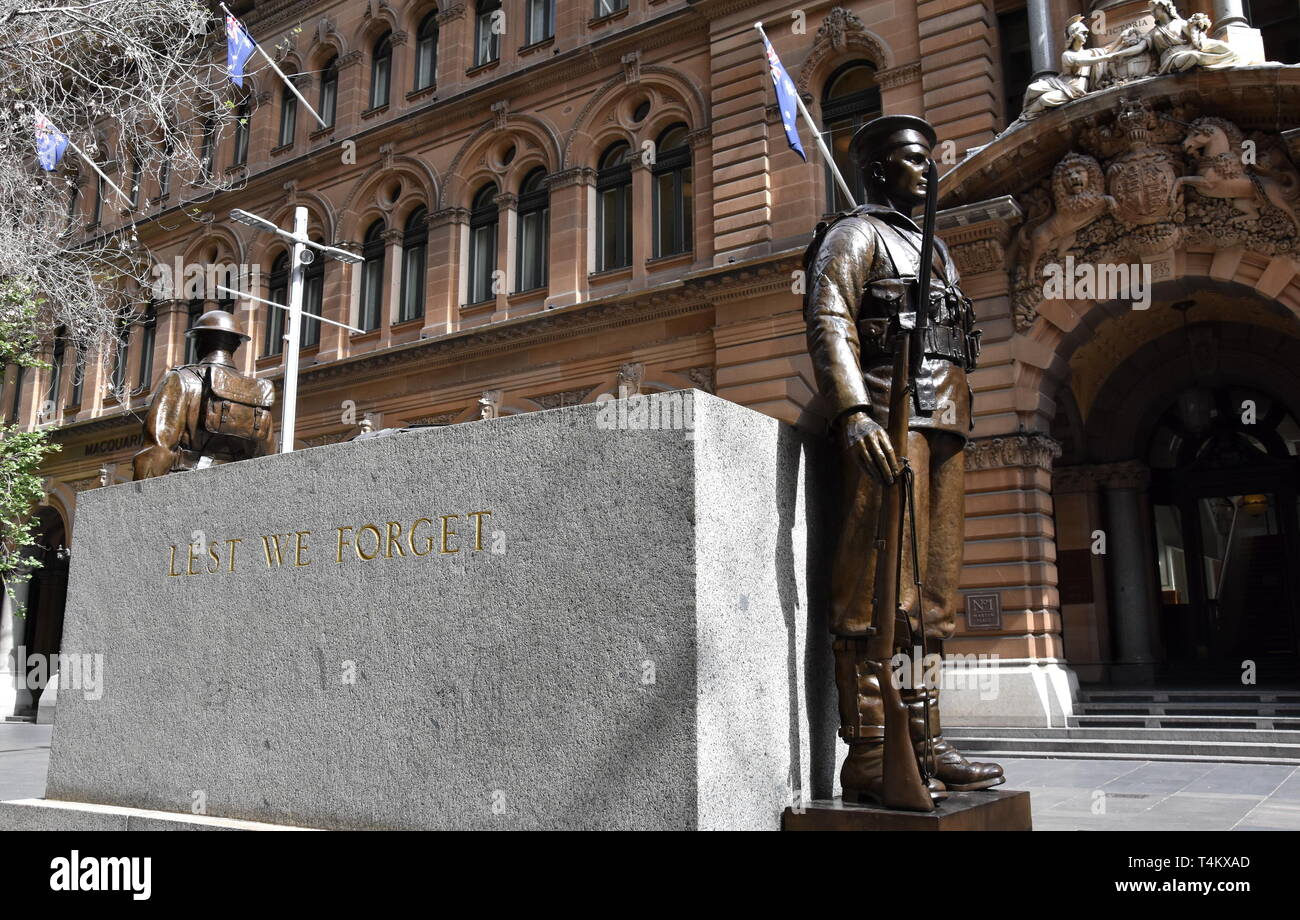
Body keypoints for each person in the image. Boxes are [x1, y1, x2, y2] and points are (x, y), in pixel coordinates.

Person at [802, 115, 1004, 803]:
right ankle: (871, 748)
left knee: (934, 597)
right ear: (879, 170)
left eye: (929, 158)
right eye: (913, 159)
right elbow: (829, 320)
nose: (928, 169)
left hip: (945, 421)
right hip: (889, 416)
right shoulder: (853, 235)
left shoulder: (936, 249)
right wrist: (852, 410)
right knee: (874, 589)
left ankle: (925, 738)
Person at [133, 310, 274, 479]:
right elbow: (266, 454)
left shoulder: (181, 379)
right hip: (237, 486)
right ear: (236, 345)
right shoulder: (257, 392)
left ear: (199, 341)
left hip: (185, 481)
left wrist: (139, 497)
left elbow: (159, 446)